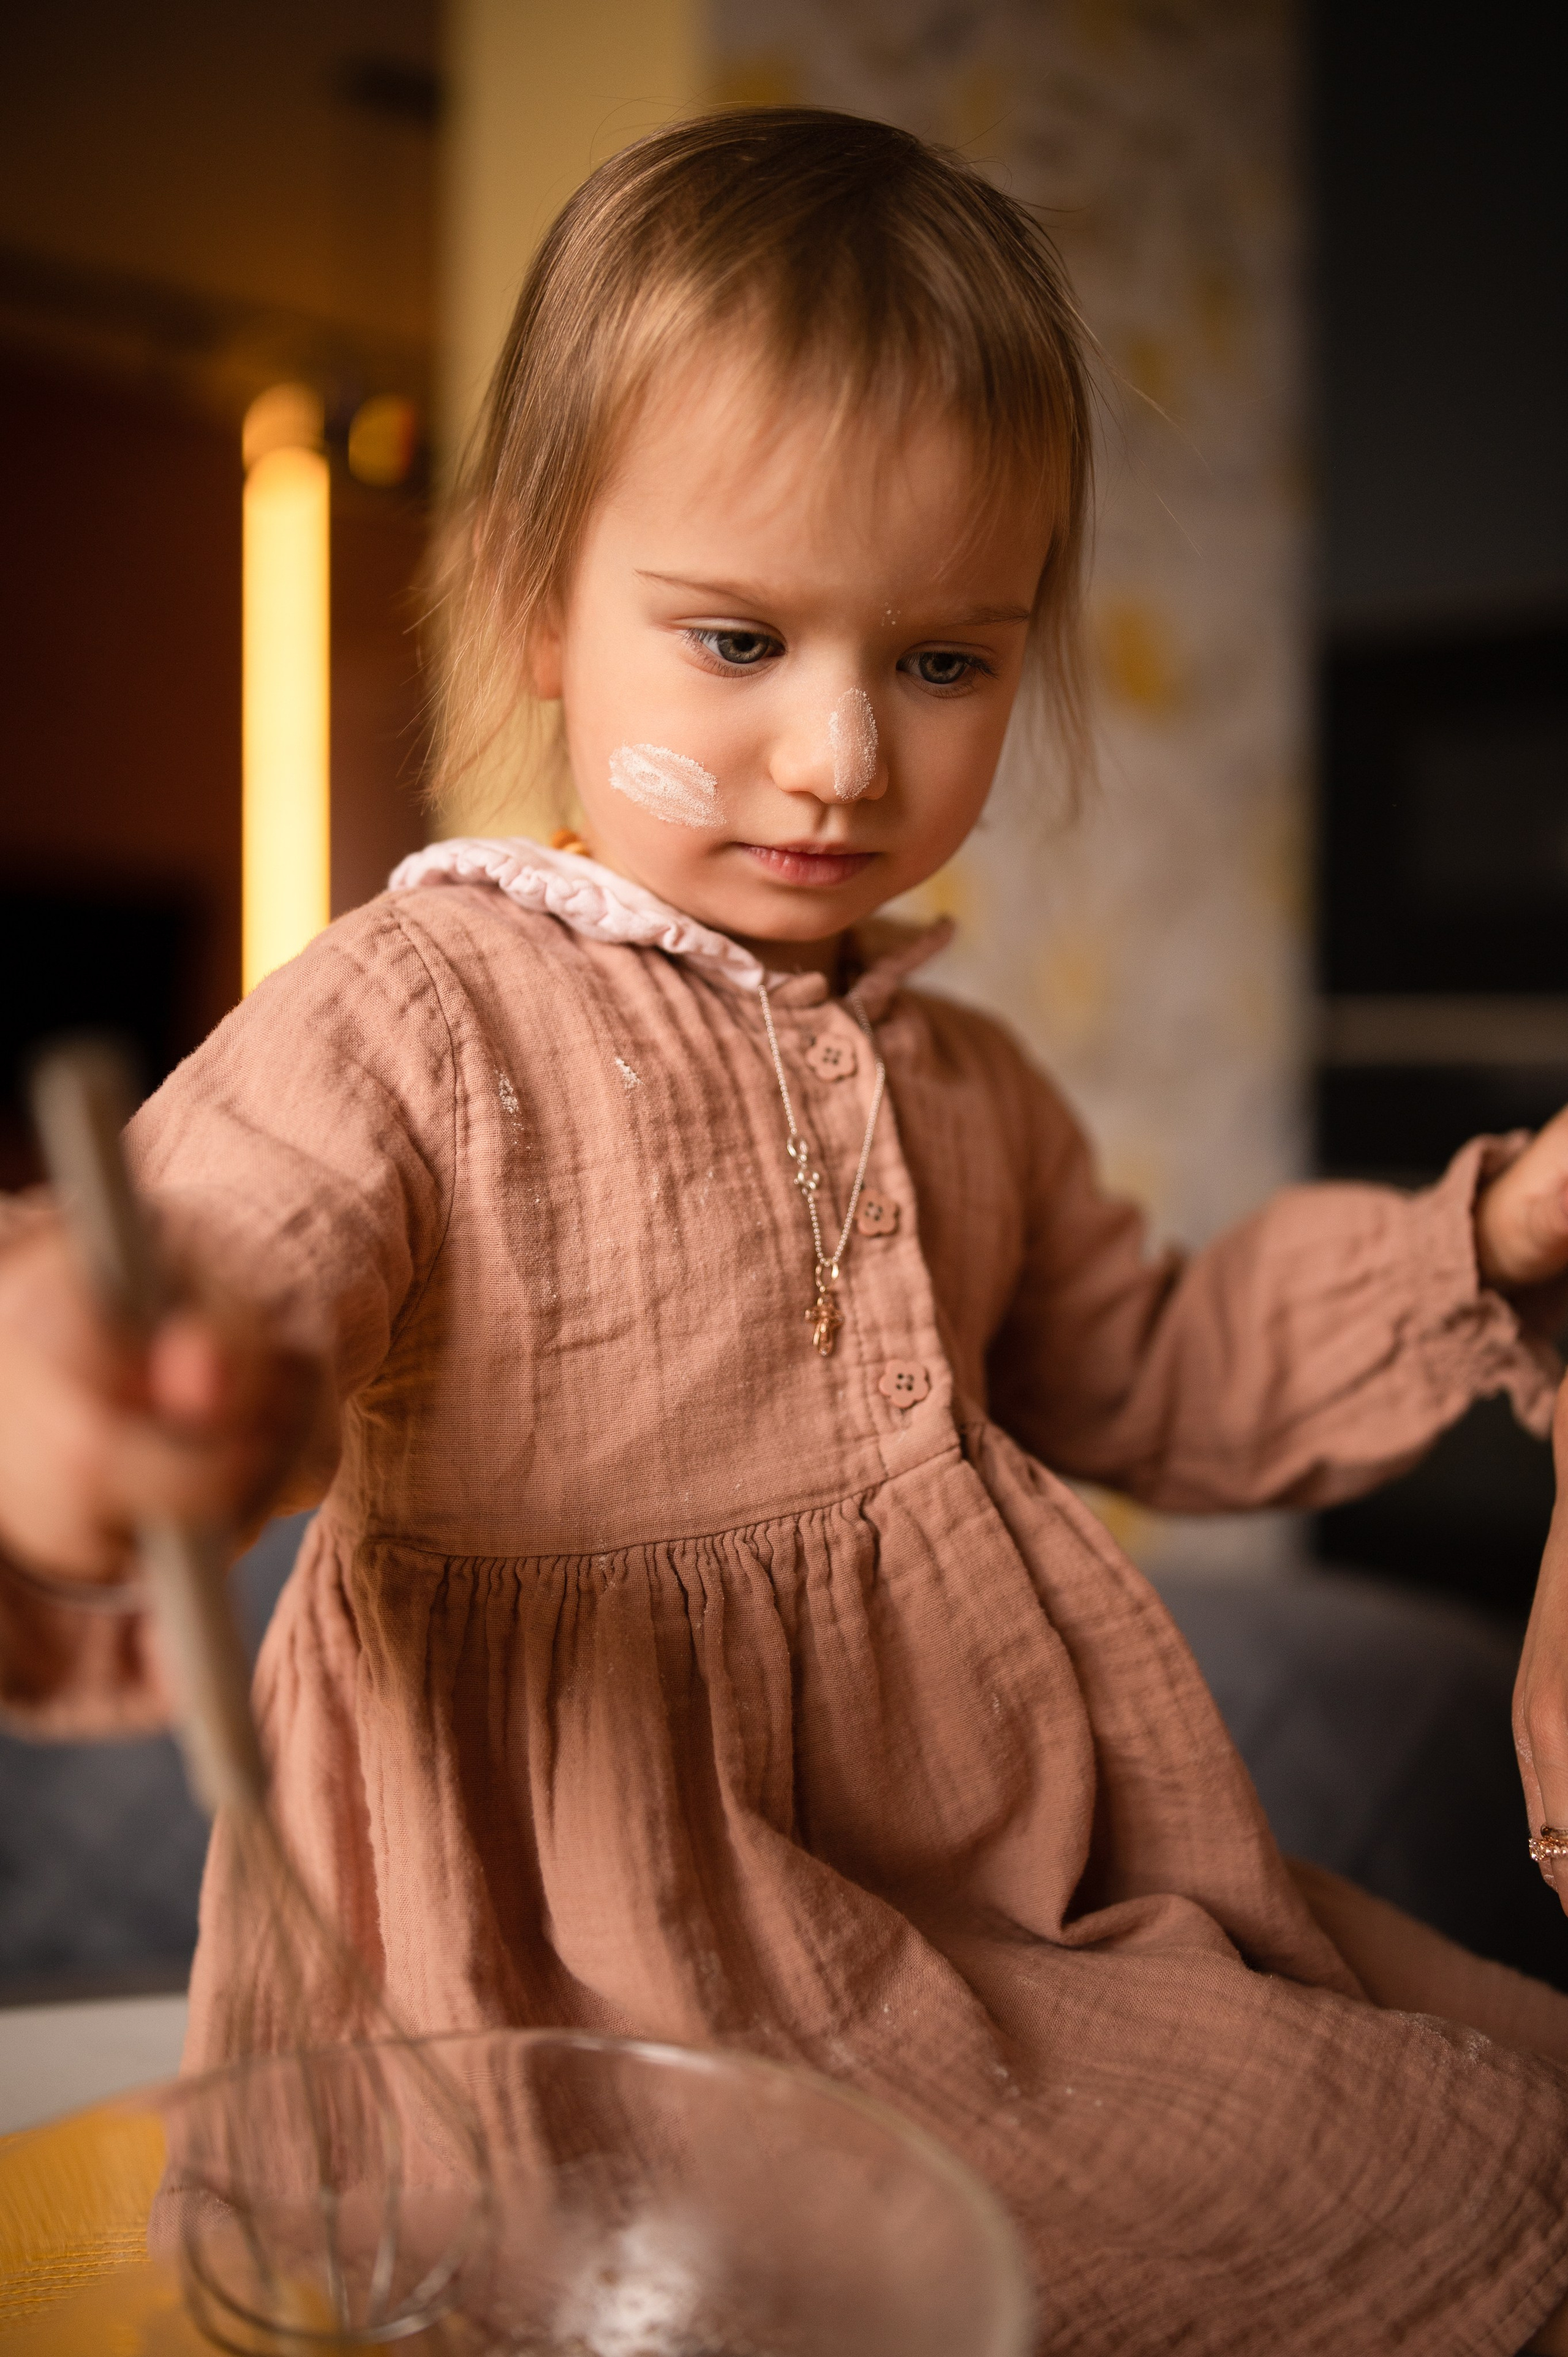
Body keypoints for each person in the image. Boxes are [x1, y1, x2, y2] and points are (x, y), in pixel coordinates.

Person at [2, 108, 1567, 2354]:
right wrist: (74, 1390)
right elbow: (193, 1267)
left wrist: (1496, 1226)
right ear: (541, 603)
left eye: (945, 663)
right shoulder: (419, 1019)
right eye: (739, 641)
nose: (842, 756)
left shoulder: (961, 1084)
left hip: (997, 1926)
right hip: (563, 2006)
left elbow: (1161, 1379)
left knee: (1485, 2123)